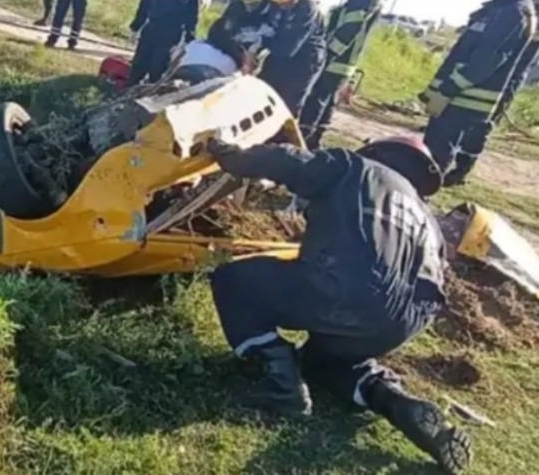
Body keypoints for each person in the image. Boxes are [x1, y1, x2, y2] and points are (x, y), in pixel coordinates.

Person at [204, 134, 472, 474]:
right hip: (410, 319)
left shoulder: (355, 167)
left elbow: (291, 161)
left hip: (349, 287)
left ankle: (280, 383)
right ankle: (394, 401)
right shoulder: (427, 218)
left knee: (235, 282)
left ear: (378, 151)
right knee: (329, 362)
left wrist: (232, 155)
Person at [420, 0, 536, 185]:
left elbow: (486, 60)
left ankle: (423, 192)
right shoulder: (499, 9)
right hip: (457, 94)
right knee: (434, 148)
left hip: (463, 96)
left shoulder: (512, 13)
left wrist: (450, 87)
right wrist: (434, 90)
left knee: (437, 152)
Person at [298, 0, 383, 149]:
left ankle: (304, 137)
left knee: (317, 99)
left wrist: (328, 55)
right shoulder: (366, 5)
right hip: (344, 64)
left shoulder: (359, 5)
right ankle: (314, 139)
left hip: (335, 61)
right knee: (328, 100)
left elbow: (347, 33)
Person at [257, 0, 327, 117]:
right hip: (280, 50)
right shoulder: (271, 4)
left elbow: (289, 48)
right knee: (261, 93)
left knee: (286, 105)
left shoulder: (306, 7)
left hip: (305, 60)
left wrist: (259, 54)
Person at [127, 0, 200, 85]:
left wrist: (189, 37)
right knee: (139, 64)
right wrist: (136, 26)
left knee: (158, 67)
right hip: (153, 27)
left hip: (171, 31)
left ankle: (152, 91)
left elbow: (191, 16)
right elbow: (145, 6)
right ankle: (129, 88)